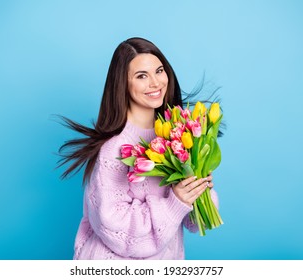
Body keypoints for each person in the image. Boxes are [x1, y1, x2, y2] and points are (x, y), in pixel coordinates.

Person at [58, 37, 219, 260]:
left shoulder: (179, 134)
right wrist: (175, 202)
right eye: (142, 76)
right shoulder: (114, 149)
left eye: (159, 71)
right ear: (123, 84)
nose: (155, 83)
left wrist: (199, 187)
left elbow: (194, 224)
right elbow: (117, 231)